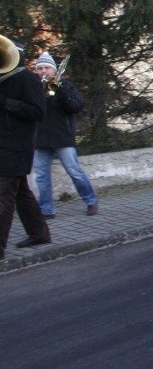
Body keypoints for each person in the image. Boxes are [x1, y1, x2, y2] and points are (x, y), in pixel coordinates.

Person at [0, 36, 52, 261]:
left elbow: (38, 112)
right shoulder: (3, 79)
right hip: (4, 146)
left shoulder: (27, 80)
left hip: (16, 147)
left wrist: (6, 103)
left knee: (3, 196)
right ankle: (39, 234)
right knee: (21, 193)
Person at [33, 52, 98, 218]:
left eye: (47, 67)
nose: (43, 71)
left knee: (74, 171)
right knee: (41, 176)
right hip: (40, 138)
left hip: (63, 137)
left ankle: (91, 201)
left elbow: (77, 106)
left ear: (54, 70)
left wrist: (61, 92)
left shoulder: (66, 85)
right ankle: (47, 210)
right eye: (39, 68)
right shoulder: (34, 87)